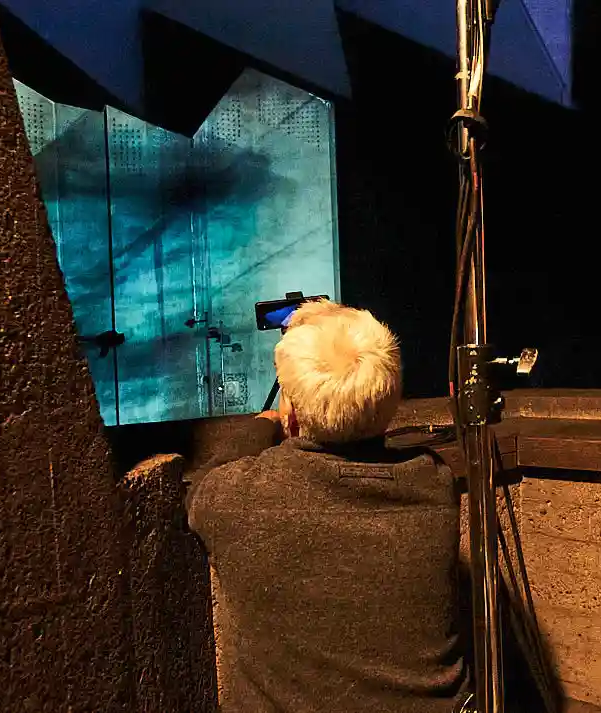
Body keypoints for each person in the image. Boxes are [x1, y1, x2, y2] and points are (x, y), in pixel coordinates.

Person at [184, 299, 466, 713]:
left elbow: (202, 485)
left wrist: (265, 423)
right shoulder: (433, 483)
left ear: (293, 416)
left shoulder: (239, 497)